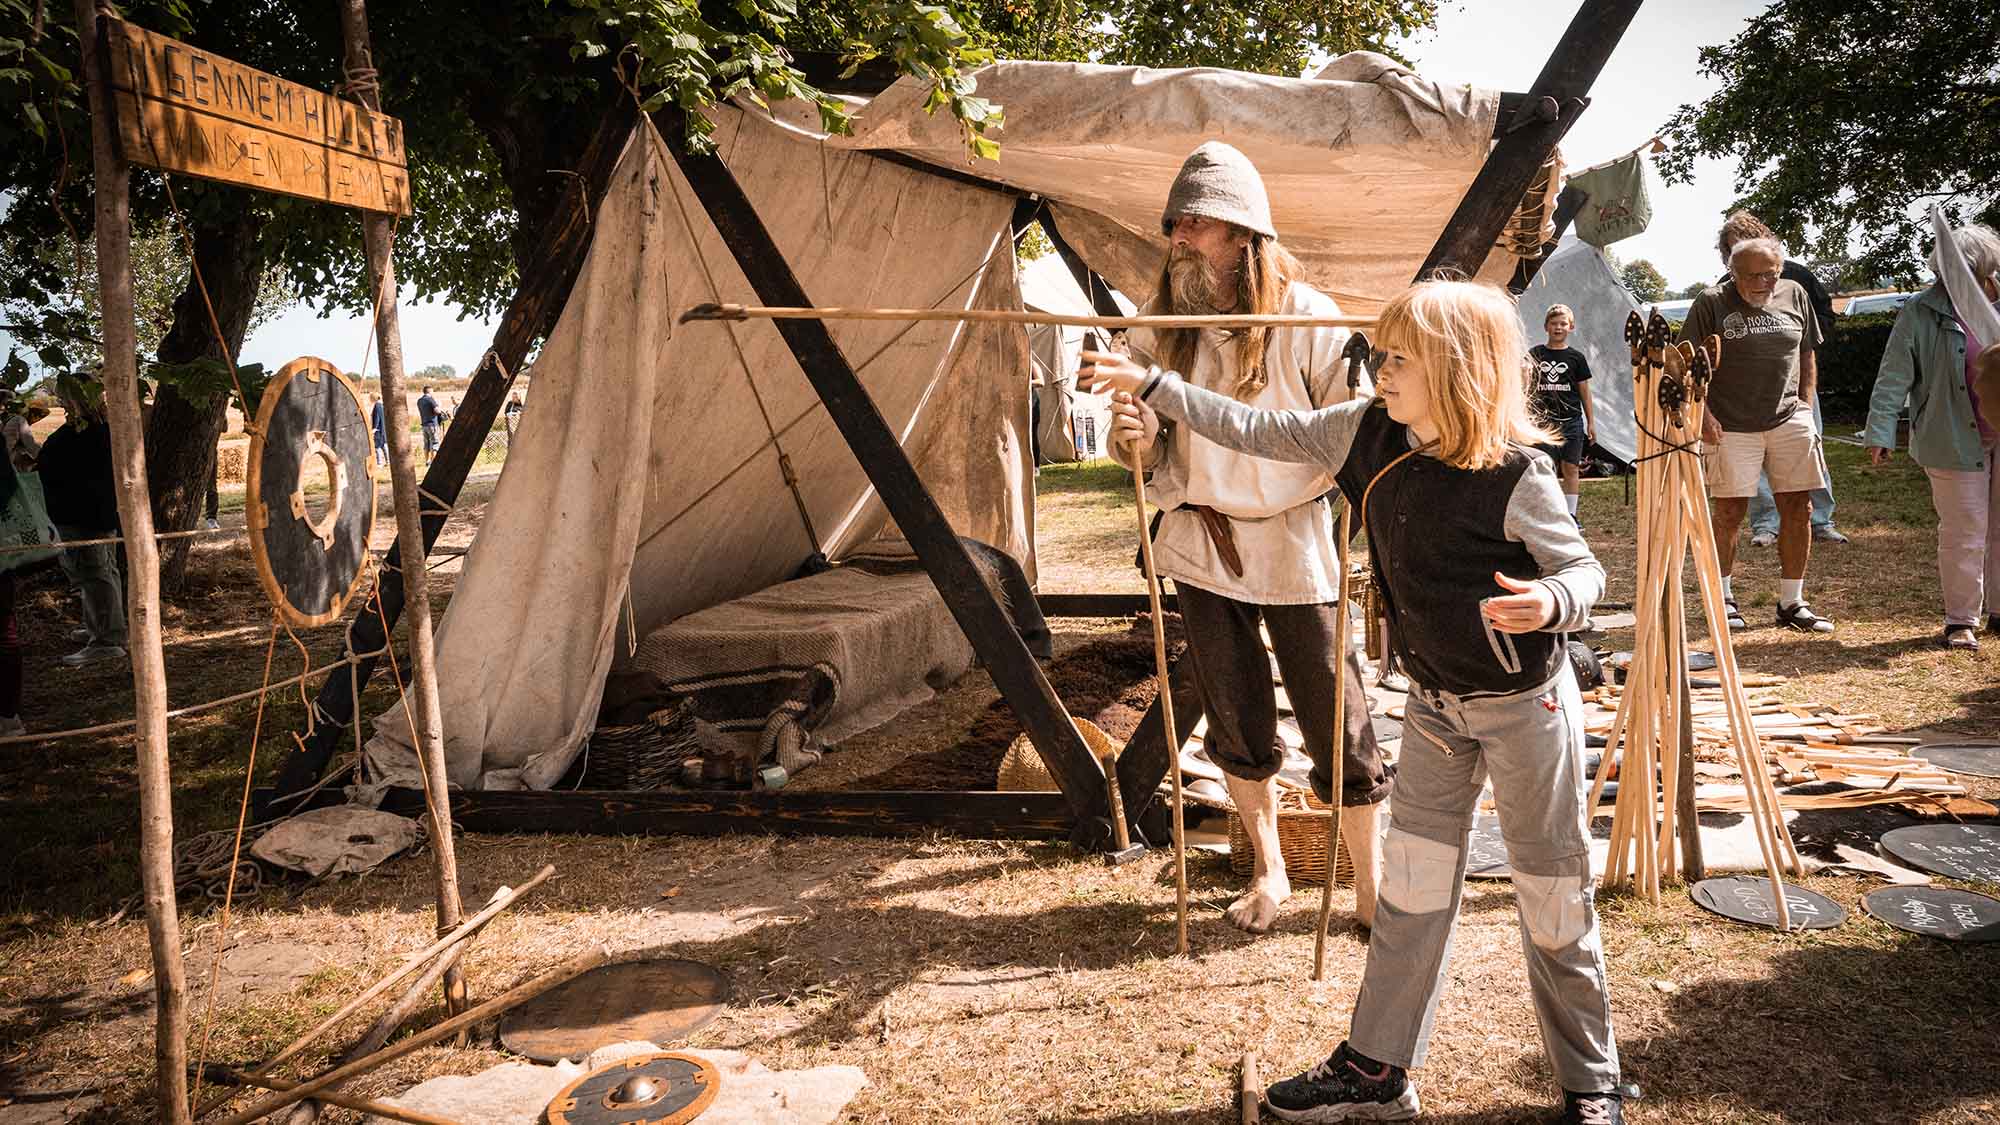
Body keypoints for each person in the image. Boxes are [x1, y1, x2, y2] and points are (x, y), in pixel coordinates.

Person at [1084, 279, 1624, 1125]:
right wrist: (1153, 386)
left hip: (1527, 710)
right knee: (1411, 888)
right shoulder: (1364, 428)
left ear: (1457, 367)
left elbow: (1586, 572)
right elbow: (1255, 428)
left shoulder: (1521, 475)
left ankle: (1590, 1080)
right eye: (1383, 352)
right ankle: (1377, 1067)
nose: (1380, 368)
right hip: (1438, 710)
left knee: (1551, 891)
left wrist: (1553, 602)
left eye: (1400, 356)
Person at [1103, 141, 1391, 934]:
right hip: (1200, 541)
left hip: (1296, 543)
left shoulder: (1309, 320)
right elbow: (1144, 449)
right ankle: (1270, 870)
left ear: (1242, 231)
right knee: (1235, 718)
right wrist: (1135, 437)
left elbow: (1356, 427)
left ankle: (1372, 885)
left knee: (1340, 719)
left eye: (1197, 222)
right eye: (1176, 223)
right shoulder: (1164, 330)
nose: (1180, 237)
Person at [1683, 233, 1834, 633]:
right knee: (1730, 512)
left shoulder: (1795, 294)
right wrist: (1702, 413)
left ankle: (1792, 602)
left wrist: (1805, 398)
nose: (1760, 283)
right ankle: (1723, 598)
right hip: (1730, 423)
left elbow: (1806, 350)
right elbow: (1685, 361)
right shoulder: (1711, 302)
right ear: (1732, 273)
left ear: (1779, 271)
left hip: (1789, 418)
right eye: (1750, 276)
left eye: (1769, 275)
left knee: (1798, 508)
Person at [1864, 223, 2000, 650]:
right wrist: (1880, 430)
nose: (1952, 282)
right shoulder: (1921, 310)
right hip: (1951, 436)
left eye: (1963, 273)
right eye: (1946, 273)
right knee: (1965, 529)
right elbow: (1894, 375)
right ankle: (1961, 620)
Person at [1715, 212, 1848, 546]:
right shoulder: (1722, 289)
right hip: (1748, 395)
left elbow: (1820, 323)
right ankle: (1766, 524)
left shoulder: (1797, 278)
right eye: (1732, 251)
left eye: (1743, 245)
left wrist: (1802, 378)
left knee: (1809, 454)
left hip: (1795, 388)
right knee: (1756, 464)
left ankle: (1820, 520)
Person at [38, 380, 126, 666]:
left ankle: (106, 641)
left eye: (63, 398)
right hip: (98, 514)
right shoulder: (103, 428)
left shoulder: (83, 432)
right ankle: (103, 628)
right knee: (102, 574)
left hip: (83, 516)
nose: (60, 403)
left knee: (94, 576)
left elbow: (60, 466)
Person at [1530, 304, 1596, 524]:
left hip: (1572, 422)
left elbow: (1585, 392)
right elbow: (1523, 385)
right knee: (1544, 468)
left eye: (1563, 324)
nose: (1558, 328)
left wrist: (1591, 422)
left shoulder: (1576, 358)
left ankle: (1571, 516)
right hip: (1544, 423)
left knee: (1571, 468)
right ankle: (1547, 514)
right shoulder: (1535, 354)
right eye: (1554, 324)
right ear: (1546, 326)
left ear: (1571, 327)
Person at [416, 386, 441, 461]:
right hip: (432, 424)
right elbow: (438, 411)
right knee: (434, 443)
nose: (433, 393)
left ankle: (427, 461)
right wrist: (439, 405)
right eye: (432, 392)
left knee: (426, 444)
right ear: (429, 391)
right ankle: (434, 461)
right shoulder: (431, 400)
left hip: (424, 424)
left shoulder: (419, 401)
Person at [370, 394, 388, 466]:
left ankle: (379, 463)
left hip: (378, 430)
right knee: (384, 445)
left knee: (377, 446)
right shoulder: (382, 405)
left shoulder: (377, 406)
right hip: (383, 428)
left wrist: (374, 428)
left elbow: (377, 418)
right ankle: (388, 461)